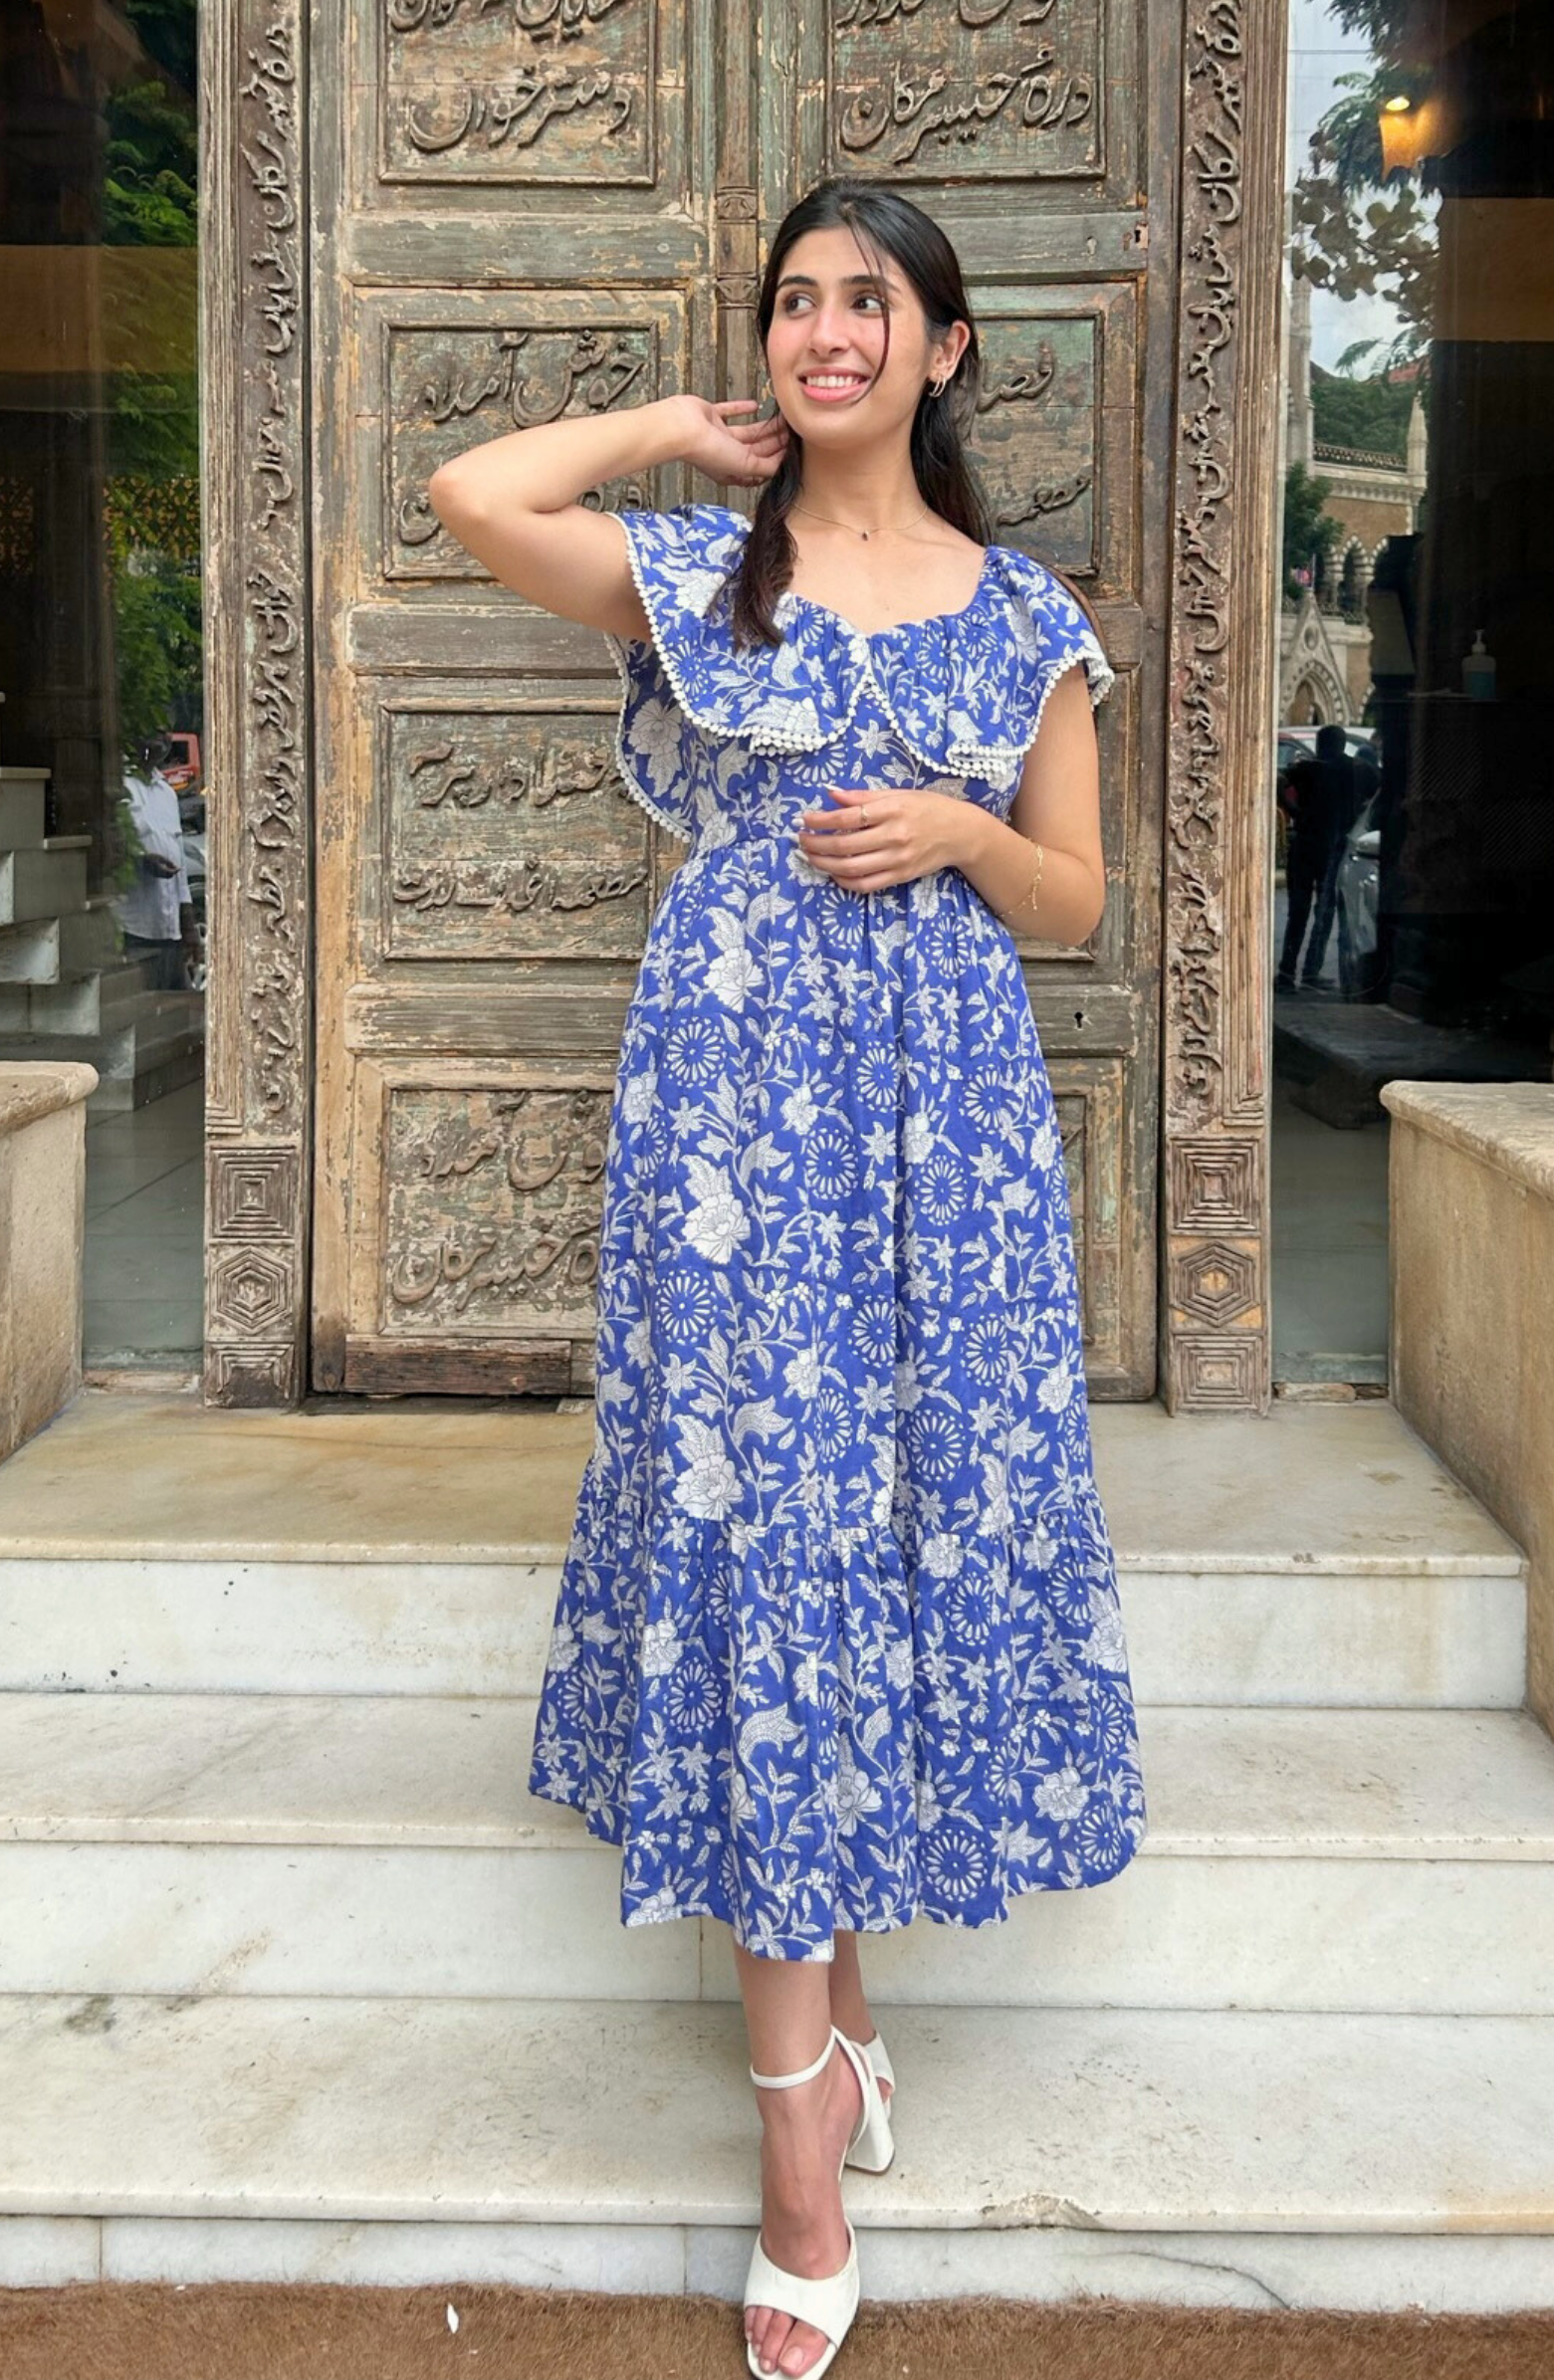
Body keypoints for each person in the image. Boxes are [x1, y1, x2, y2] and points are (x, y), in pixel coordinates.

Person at [430, 179, 1146, 2380]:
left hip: (943, 1141)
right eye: (796, 302)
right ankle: (803, 2162)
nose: (829, 331)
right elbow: (467, 489)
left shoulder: (1024, 611)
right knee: (764, 1558)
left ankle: (839, 2039)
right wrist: (671, 423)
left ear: (944, 349)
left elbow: (1081, 905)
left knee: (886, 1540)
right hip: (733, 1135)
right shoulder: (697, 574)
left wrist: (954, 834)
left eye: (871, 303)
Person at [1275, 723, 1367, 994]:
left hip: (1306, 845)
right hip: (1330, 848)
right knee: (1322, 912)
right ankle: (1307, 972)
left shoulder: (1307, 768)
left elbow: (1279, 783)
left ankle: (1288, 972)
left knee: (1299, 912)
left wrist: (1295, 811)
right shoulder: (1351, 768)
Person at [117, 733, 196, 990]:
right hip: (134, 929)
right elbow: (109, 847)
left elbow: (179, 858)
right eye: (152, 730)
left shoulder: (166, 792)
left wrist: (189, 924)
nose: (160, 738)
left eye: (165, 731)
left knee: (176, 1013)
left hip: (169, 930)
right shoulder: (121, 785)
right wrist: (141, 861)